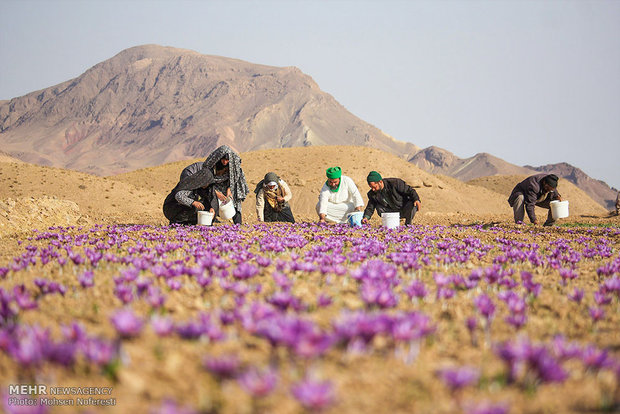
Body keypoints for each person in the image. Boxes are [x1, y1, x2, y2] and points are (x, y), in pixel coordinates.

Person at [202, 145, 249, 224]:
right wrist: (216, 192)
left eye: (227, 160)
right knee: (212, 202)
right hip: (214, 185)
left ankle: (238, 224)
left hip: (230, 184)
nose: (225, 162)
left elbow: (235, 178)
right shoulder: (212, 164)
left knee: (234, 203)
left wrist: (229, 189)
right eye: (223, 160)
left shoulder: (234, 164)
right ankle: (208, 223)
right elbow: (207, 181)